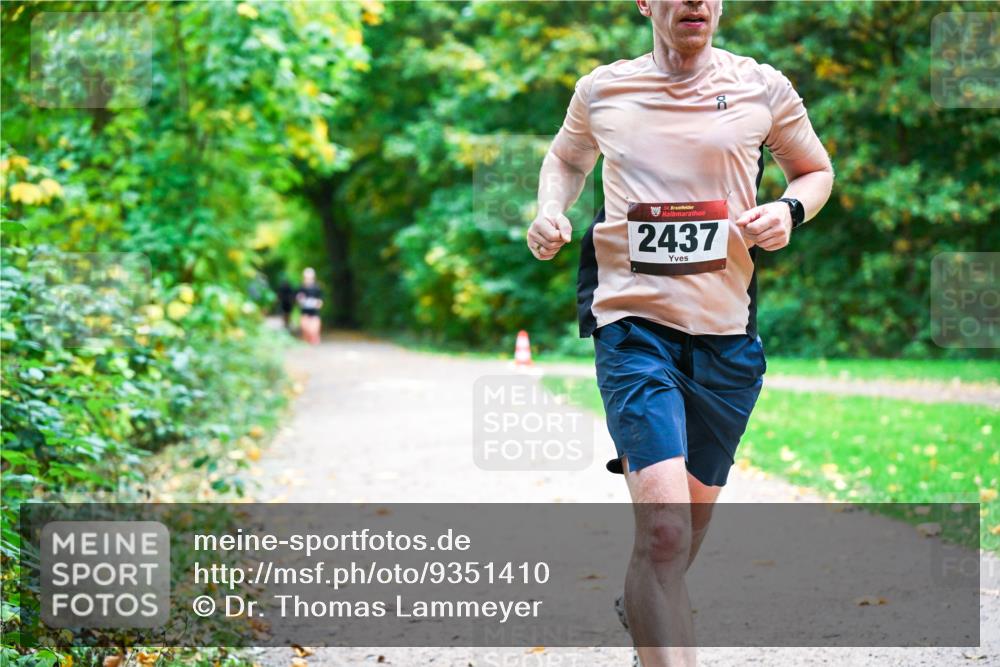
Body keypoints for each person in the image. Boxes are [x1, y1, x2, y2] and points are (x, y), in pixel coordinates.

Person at [527, 1, 834, 665]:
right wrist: (550, 209)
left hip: (725, 335)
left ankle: (643, 596)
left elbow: (816, 172)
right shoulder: (603, 89)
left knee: (678, 539)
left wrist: (789, 210)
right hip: (631, 324)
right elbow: (566, 159)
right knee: (664, 534)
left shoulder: (762, 87)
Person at [296, 267, 323, 345]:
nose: (308, 279)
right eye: (306, 277)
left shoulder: (317, 287)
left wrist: (319, 303)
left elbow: (321, 300)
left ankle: (315, 342)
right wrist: (300, 300)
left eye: (309, 277)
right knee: (305, 331)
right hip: (304, 312)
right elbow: (298, 298)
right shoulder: (301, 287)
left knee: (314, 331)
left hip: (315, 313)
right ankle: (308, 346)